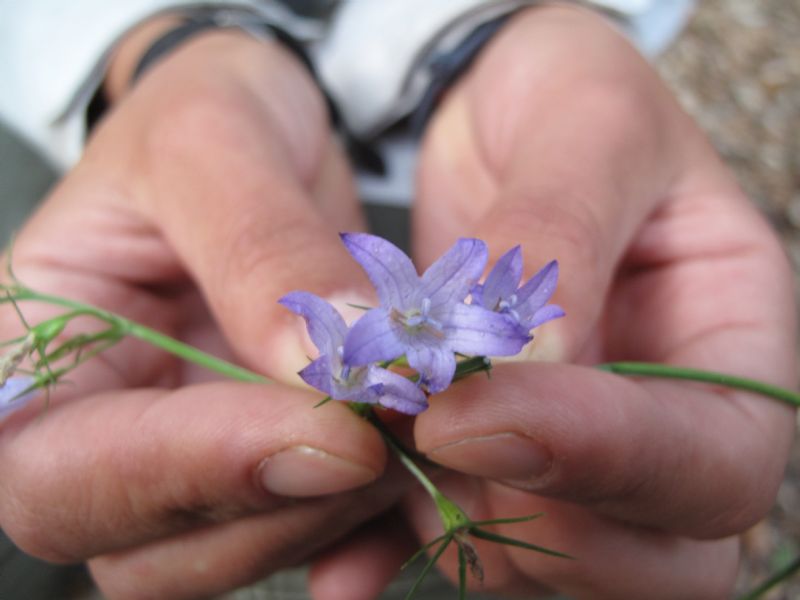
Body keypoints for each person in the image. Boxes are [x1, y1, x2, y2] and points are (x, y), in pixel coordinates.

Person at [0, 1, 795, 599]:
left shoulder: (430, 332)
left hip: (451, 144)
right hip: (113, 140)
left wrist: (519, 29)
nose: (408, 320)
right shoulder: (391, 325)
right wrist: (155, 44)